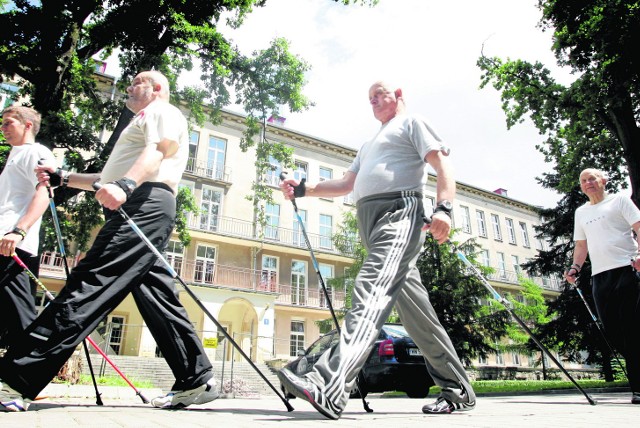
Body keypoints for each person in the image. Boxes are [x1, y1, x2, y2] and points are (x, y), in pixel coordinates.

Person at [0, 71, 217, 412]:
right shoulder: (140, 121)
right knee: (155, 294)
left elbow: (160, 151)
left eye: (136, 83)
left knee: (90, 282)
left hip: (143, 202)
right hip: (141, 201)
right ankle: (195, 378)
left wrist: (127, 185)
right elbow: (105, 178)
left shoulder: (160, 111)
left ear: (156, 88)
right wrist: (64, 178)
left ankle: (16, 378)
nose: (129, 88)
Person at [277, 81, 475, 419]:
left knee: (370, 289)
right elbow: (345, 184)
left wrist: (444, 208)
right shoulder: (368, 144)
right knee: (418, 317)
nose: (373, 101)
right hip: (372, 224)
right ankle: (457, 388)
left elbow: (442, 166)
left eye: (379, 94)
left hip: (400, 214)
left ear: (398, 95)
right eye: (368, 99)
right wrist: (305, 189)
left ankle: (330, 383)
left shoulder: (413, 123)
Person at [564, 168, 640, 405]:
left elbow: (639, 226)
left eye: (592, 178)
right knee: (613, 331)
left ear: (603, 180)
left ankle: (638, 388)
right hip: (600, 276)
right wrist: (575, 268)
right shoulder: (581, 212)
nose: (588, 183)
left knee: (631, 328)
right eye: (583, 181)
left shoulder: (619, 201)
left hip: (626, 269)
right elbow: (581, 245)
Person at [0, 106, 56, 349]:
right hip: (3, 240)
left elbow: (46, 192)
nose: (3, 128)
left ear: (28, 125)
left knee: (19, 315)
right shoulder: (14, 155)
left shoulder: (36, 152)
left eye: (9, 123)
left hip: (13, 246)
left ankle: (22, 376)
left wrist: (18, 231)